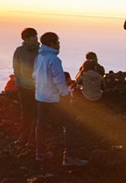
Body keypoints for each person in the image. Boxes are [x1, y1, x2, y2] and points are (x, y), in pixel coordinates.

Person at [33, 32, 88, 166]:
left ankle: (40, 153)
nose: (59, 45)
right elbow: (59, 81)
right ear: (52, 43)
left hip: (41, 97)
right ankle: (70, 158)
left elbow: (34, 76)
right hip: (54, 99)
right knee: (70, 125)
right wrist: (67, 95)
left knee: (41, 125)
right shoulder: (54, 59)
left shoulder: (39, 57)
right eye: (58, 42)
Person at [12, 27, 39, 146]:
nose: (35, 39)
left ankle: (32, 139)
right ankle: (24, 137)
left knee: (36, 113)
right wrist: (18, 84)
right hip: (23, 88)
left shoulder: (41, 51)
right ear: (26, 39)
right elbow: (16, 68)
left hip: (37, 88)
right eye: (33, 37)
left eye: (36, 36)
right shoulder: (19, 51)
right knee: (26, 113)